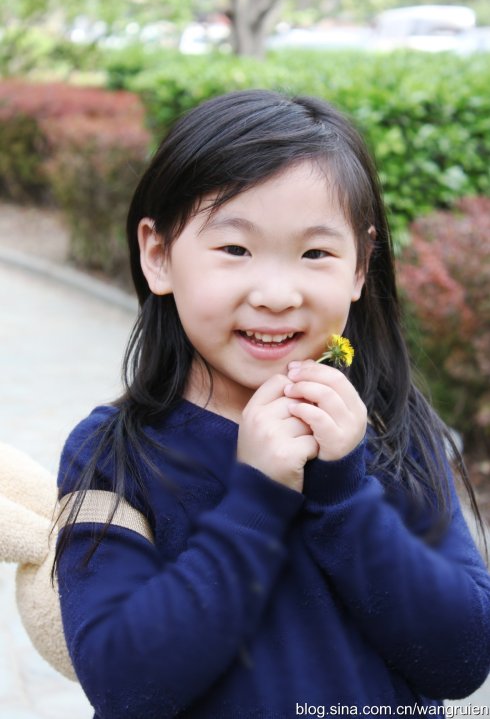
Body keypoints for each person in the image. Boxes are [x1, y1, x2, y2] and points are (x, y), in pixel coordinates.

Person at [54, 89, 490, 719]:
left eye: (316, 254)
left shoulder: (393, 426)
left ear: (360, 267)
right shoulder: (111, 455)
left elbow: (462, 657)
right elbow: (124, 686)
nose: (278, 294)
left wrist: (344, 494)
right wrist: (257, 498)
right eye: (235, 250)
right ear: (158, 254)